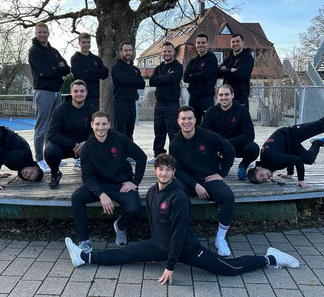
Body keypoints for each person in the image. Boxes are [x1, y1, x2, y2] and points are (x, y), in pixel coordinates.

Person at [65, 154, 299, 284]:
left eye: (168, 170)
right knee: (123, 255)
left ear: (173, 172)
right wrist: (158, 248)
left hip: (186, 249)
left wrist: (170, 267)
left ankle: (270, 258)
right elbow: (156, 223)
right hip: (158, 246)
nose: (164, 173)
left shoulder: (178, 197)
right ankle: (83, 257)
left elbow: (178, 233)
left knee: (229, 268)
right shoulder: (151, 192)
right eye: (160, 169)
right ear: (155, 171)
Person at [71, 111, 147, 252]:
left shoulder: (120, 139)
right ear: (92, 125)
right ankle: (84, 240)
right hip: (99, 184)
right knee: (77, 197)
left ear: (109, 124)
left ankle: (120, 226)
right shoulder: (87, 147)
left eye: (104, 124)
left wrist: (135, 182)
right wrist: (101, 194)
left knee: (135, 209)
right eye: (97, 124)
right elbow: (87, 177)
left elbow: (141, 157)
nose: (101, 127)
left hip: (121, 184)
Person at [169, 106, 236, 256]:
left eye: (190, 118)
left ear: (195, 120)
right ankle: (181, 235)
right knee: (176, 196)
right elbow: (177, 170)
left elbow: (229, 150)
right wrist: (195, 185)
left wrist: (222, 174)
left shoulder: (207, 136)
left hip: (208, 178)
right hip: (187, 181)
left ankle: (220, 238)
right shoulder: (175, 143)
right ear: (178, 121)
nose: (187, 122)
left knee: (227, 196)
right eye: (183, 119)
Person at [248, 105, 324, 188]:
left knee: (323, 125)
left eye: (261, 175)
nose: (266, 177)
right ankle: (317, 143)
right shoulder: (268, 165)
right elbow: (287, 156)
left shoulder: (271, 158)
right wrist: (289, 173)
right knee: (309, 159)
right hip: (290, 146)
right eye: (263, 180)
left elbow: (297, 160)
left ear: (258, 168)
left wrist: (301, 180)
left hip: (291, 134)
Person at [28, 22, 70, 173]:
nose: (42, 35)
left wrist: (55, 70)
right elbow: (47, 71)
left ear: (48, 33)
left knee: (52, 127)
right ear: (36, 33)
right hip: (43, 91)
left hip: (56, 92)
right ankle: (40, 159)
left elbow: (66, 68)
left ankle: (50, 156)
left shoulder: (53, 51)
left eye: (44, 32)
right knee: (41, 127)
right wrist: (57, 69)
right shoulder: (34, 51)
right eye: (39, 32)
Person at [44, 80, 97, 188]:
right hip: (65, 146)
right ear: (71, 92)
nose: (79, 94)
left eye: (82, 91)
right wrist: (73, 145)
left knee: (101, 145)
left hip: (85, 145)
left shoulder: (92, 110)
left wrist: (86, 142)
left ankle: (92, 172)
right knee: (50, 151)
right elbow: (52, 134)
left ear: (86, 92)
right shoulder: (60, 110)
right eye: (76, 91)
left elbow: (99, 131)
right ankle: (55, 173)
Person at [202, 84, 259, 180]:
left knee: (253, 148)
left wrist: (228, 142)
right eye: (221, 95)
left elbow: (250, 134)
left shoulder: (242, 111)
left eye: (226, 94)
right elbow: (204, 133)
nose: (224, 98)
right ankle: (218, 162)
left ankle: (243, 165)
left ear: (232, 95)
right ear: (217, 96)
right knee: (202, 146)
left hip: (236, 146)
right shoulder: (211, 112)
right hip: (218, 148)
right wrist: (218, 145)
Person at [147, 41, 183, 164]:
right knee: (159, 131)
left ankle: (175, 155)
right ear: (162, 53)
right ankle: (158, 155)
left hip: (172, 104)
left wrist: (160, 79)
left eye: (169, 51)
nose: (167, 53)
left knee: (173, 132)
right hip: (159, 104)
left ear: (173, 52)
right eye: (165, 51)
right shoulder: (159, 68)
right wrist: (166, 78)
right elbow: (152, 81)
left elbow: (173, 77)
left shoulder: (178, 66)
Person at [111, 41, 145, 139]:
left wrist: (129, 80)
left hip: (132, 103)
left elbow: (142, 84)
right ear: (120, 52)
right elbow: (123, 80)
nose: (128, 52)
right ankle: (120, 149)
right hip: (121, 103)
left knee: (130, 131)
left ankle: (129, 148)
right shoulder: (116, 67)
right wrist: (134, 80)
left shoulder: (135, 69)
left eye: (130, 50)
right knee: (120, 131)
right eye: (126, 50)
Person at [183, 33, 218, 125]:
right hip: (194, 98)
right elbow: (185, 78)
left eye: (203, 43)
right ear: (196, 44)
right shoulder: (193, 61)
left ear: (207, 44)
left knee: (209, 124)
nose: (200, 45)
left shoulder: (212, 59)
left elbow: (206, 75)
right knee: (193, 124)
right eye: (198, 43)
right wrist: (199, 76)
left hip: (206, 97)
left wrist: (192, 76)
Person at [70, 32, 108, 110]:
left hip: (95, 97)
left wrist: (89, 71)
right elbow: (81, 76)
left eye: (88, 42)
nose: (86, 44)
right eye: (83, 42)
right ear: (79, 43)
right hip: (81, 97)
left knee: (95, 117)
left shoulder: (96, 59)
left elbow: (105, 73)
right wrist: (97, 73)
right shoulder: (75, 58)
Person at [218, 34, 254, 109]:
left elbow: (240, 74)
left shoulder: (247, 57)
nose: (235, 43)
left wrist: (225, 71)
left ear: (242, 43)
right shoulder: (228, 58)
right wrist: (230, 70)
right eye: (233, 42)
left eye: (237, 41)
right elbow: (218, 73)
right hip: (226, 97)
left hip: (240, 96)